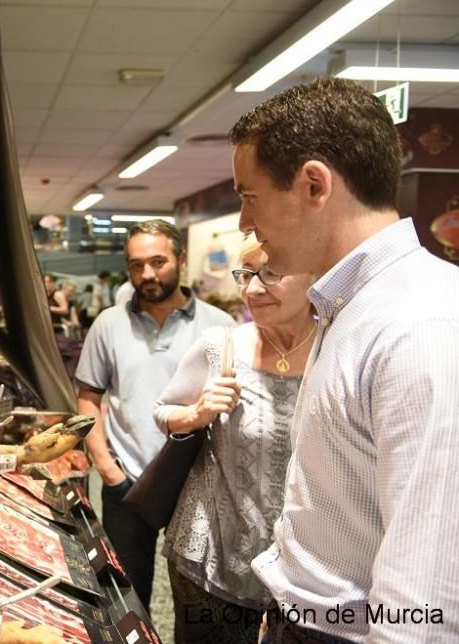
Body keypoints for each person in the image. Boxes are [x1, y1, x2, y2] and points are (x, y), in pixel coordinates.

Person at [231, 77, 459, 643]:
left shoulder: (422, 323)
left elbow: (424, 595)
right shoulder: (349, 303)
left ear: (313, 184)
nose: (243, 221)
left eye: (248, 195)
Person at [153, 241, 315, 642]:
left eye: (271, 273)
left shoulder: (334, 349)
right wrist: (197, 414)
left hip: (302, 572)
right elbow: (164, 411)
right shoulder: (219, 346)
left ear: (314, 275)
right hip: (212, 554)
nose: (253, 289)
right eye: (246, 274)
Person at [75, 219, 233, 611]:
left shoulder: (219, 326)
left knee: (198, 603)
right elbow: (88, 399)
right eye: (136, 265)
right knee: (126, 600)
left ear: (181, 259)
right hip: (127, 482)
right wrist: (107, 469)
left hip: (198, 485)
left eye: (158, 262)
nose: (147, 274)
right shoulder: (108, 325)